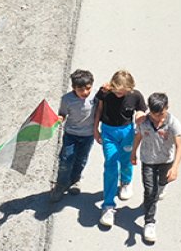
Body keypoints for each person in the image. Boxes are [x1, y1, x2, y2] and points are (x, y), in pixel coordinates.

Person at [95, 70, 147, 229]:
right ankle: (108, 206)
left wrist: (140, 117)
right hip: (108, 132)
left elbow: (140, 110)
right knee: (110, 164)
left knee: (126, 160)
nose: (119, 94)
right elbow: (99, 109)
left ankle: (126, 181)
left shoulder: (136, 95)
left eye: (122, 92)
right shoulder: (105, 92)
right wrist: (95, 129)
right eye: (116, 90)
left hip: (127, 132)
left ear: (130, 89)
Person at [131, 92, 181, 244]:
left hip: (165, 160)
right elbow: (138, 136)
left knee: (162, 182)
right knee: (150, 192)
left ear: (167, 108)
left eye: (161, 114)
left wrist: (175, 168)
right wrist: (133, 153)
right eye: (154, 115)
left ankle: (162, 186)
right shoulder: (144, 121)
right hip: (148, 160)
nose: (157, 118)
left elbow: (180, 147)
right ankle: (149, 222)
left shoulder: (173, 123)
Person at [52, 69, 97, 202]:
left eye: (88, 88)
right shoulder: (67, 99)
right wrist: (60, 118)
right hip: (71, 134)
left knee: (81, 159)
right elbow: (63, 114)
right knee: (66, 160)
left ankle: (75, 180)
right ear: (73, 88)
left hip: (87, 135)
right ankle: (60, 185)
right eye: (80, 89)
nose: (85, 93)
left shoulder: (96, 97)